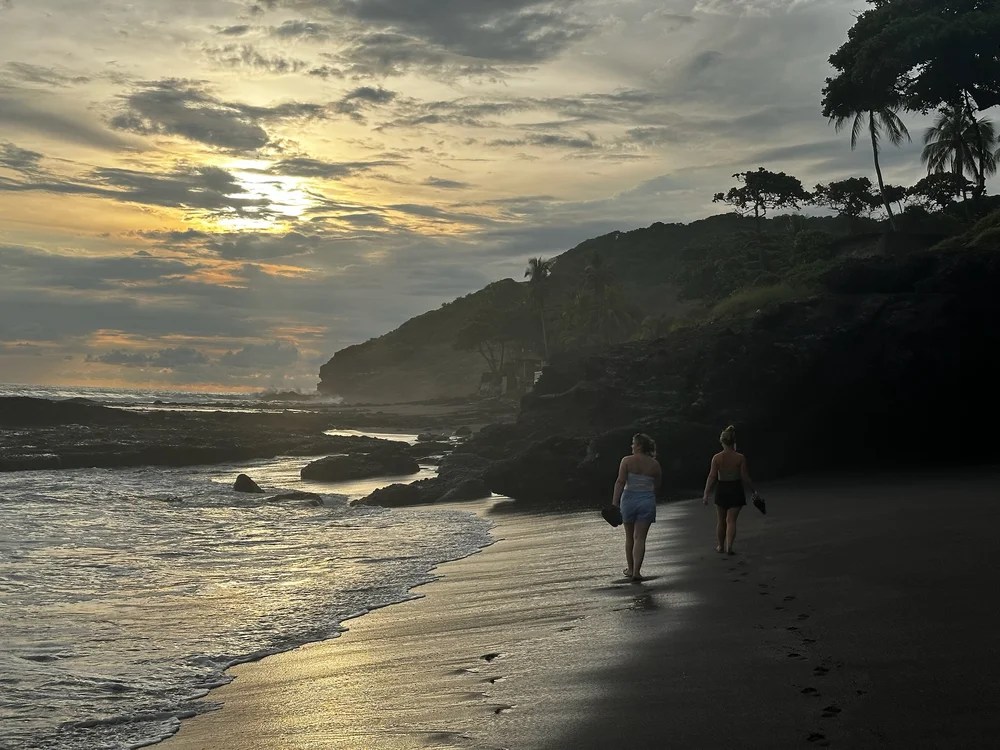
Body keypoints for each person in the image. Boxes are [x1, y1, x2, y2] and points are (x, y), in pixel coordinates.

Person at [611, 433, 662, 582]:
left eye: (633, 443)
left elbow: (620, 482)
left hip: (629, 500)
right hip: (647, 500)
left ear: (639, 445)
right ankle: (637, 572)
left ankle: (630, 569)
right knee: (640, 538)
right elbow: (657, 486)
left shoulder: (626, 461)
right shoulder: (655, 464)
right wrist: (650, 497)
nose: (631, 446)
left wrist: (614, 503)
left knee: (629, 537)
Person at [702, 424, 756, 555]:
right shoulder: (740, 457)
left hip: (722, 489)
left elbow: (712, 476)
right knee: (731, 520)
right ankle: (729, 546)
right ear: (734, 442)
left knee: (721, 520)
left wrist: (706, 493)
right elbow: (745, 476)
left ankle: (720, 546)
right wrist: (753, 491)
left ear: (722, 441)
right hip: (736, 488)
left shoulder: (717, 458)